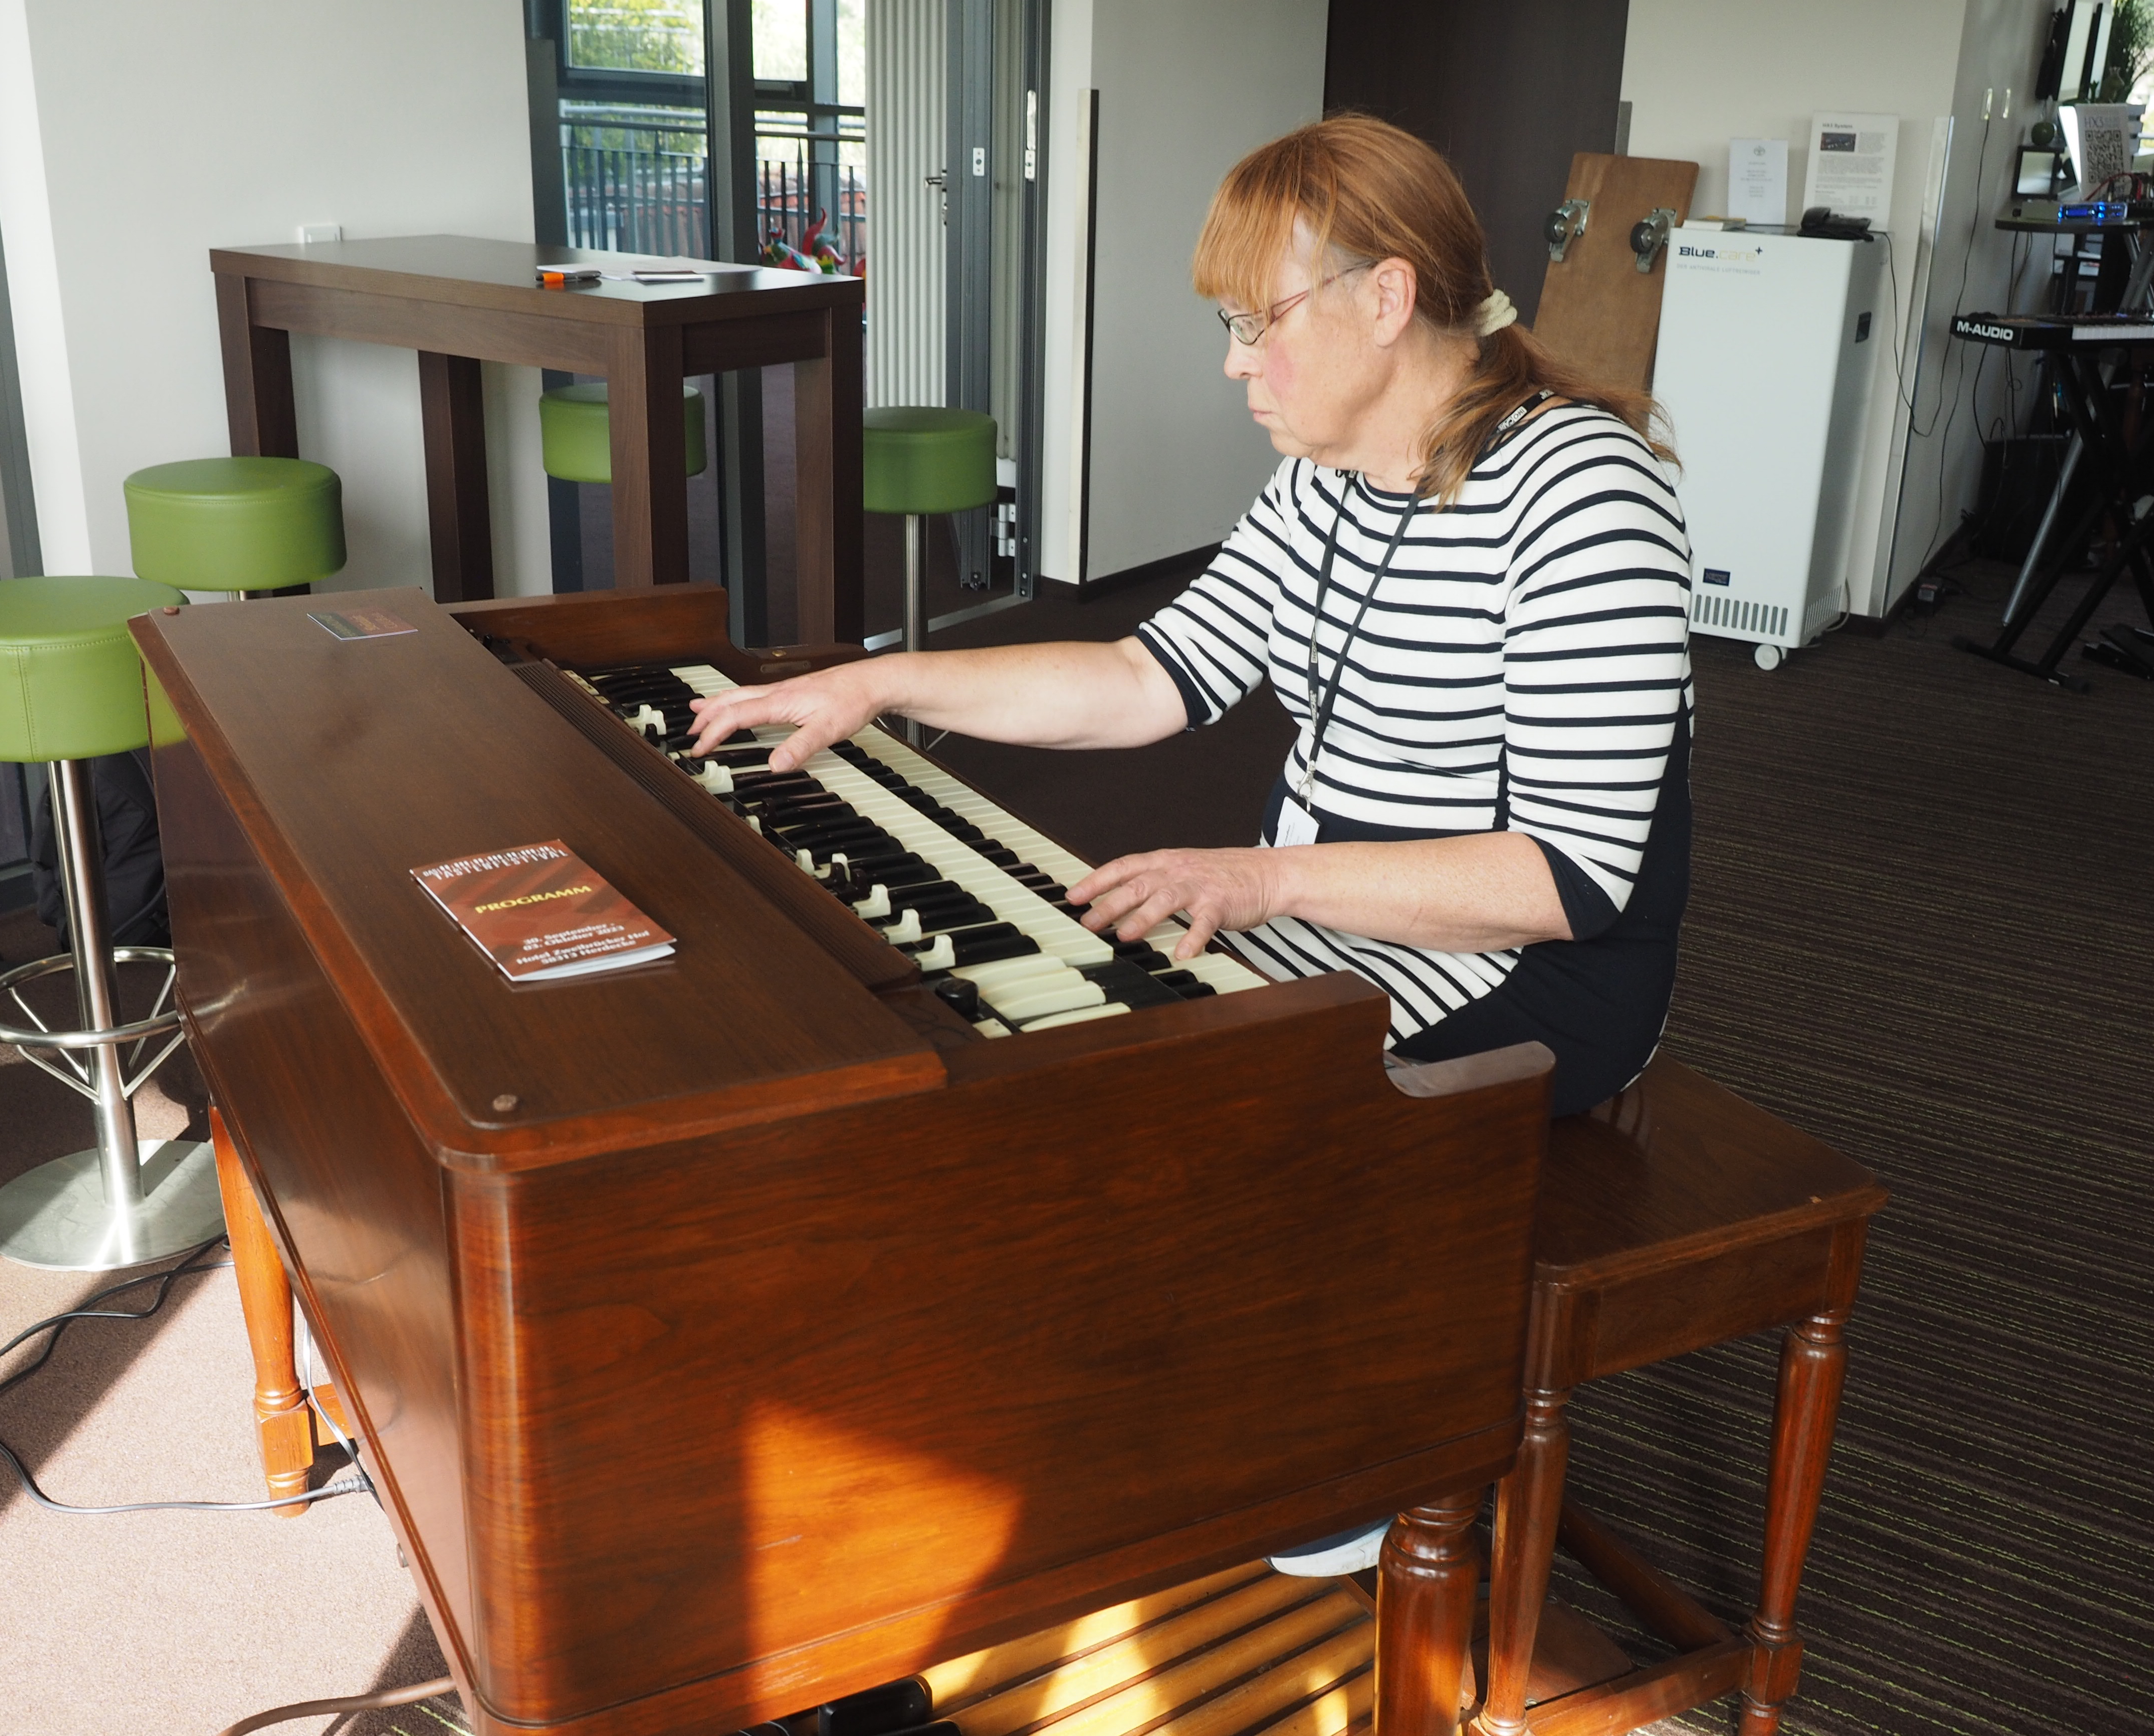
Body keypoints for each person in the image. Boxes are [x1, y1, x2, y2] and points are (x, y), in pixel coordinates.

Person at [686, 115, 1694, 1573]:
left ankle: (1332, 1447)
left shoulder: (1581, 493)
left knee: (1169, 1116)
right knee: (1060, 1059)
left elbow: (1571, 879)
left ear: (1387, 297)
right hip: (1333, 909)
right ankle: (1115, 1408)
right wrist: (883, 681)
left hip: (1542, 968)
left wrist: (1261, 877)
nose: (1236, 364)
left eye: (1256, 322)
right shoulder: (1328, 476)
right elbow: (1147, 677)